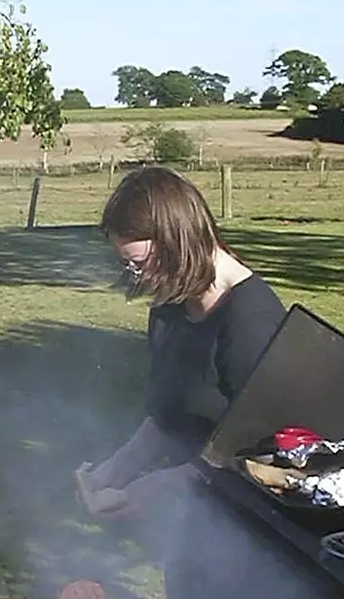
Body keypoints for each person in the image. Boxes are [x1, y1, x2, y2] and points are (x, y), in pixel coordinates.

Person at [76, 164, 286, 520]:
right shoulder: (171, 307)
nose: (136, 277)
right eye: (128, 266)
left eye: (139, 264)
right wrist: (112, 472)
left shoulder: (253, 321)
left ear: (178, 240)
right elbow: (168, 418)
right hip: (191, 522)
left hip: (247, 530)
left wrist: (164, 485)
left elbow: (264, 454)